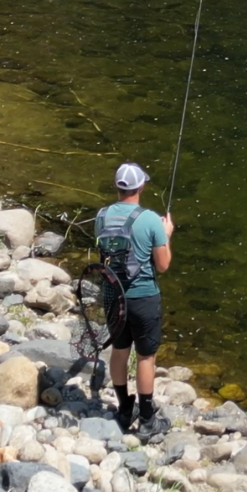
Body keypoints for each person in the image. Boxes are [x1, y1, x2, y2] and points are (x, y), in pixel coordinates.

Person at [95, 161, 174, 434]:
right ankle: (148, 421)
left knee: (119, 350)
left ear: (118, 187)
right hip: (143, 297)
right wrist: (166, 235)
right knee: (145, 358)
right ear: (141, 186)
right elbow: (163, 265)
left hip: (112, 297)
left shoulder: (101, 216)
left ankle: (124, 408)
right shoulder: (151, 219)